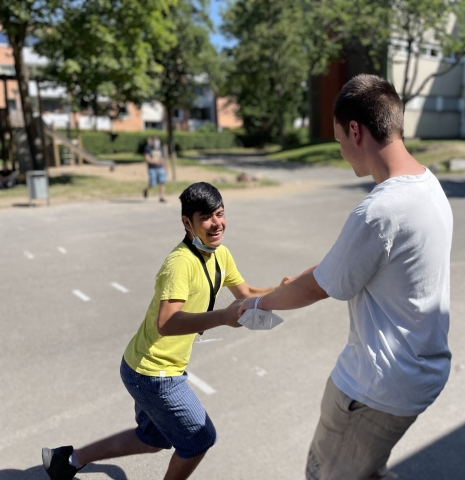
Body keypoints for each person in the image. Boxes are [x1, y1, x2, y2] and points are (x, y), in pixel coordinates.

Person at [239, 74, 453, 480]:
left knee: (325, 474)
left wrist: (256, 304)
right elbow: (337, 269)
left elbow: (319, 287)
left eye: (339, 141)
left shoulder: (380, 211)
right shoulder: (427, 186)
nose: (341, 151)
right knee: (365, 468)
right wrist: (293, 284)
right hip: (418, 374)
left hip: (375, 387)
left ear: (355, 131)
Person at [43, 182, 289, 480]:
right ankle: (68, 460)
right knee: (200, 439)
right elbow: (166, 323)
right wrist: (223, 317)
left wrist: (280, 290)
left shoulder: (220, 254)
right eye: (206, 218)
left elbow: (246, 292)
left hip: (147, 366)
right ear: (187, 223)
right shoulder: (180, 264)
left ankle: (66, 460)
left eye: (220, 213)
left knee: (153, 439)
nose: (217, 223)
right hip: (153, 373)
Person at [143, 136, 167, 203]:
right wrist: (153, 161)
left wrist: (164, 167)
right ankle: (146, 190)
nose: (156, 142)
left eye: (157, 140)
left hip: (160, 168)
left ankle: (161, 197)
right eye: (155, 140)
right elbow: (147, 158)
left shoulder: (160, 148)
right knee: (152, 183)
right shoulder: (148, 148)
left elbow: (162, 158)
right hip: (152, 168)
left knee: (162, 182)